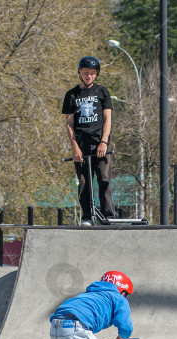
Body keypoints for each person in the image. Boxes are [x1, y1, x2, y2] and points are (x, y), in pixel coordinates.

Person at [62, 56, 115, 226]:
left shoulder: (102, 92)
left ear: (96, 75)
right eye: (86, 73)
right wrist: (75, 147)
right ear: (80, 73)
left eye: (92, 73)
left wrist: (104, 142)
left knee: (104, 179)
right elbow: (69, 123)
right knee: (84, 182)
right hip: (81, 143)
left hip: (99, 141)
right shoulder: (71, 95)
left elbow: (108, 119)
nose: (89, 76)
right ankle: (87, 216)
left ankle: (108, 215)